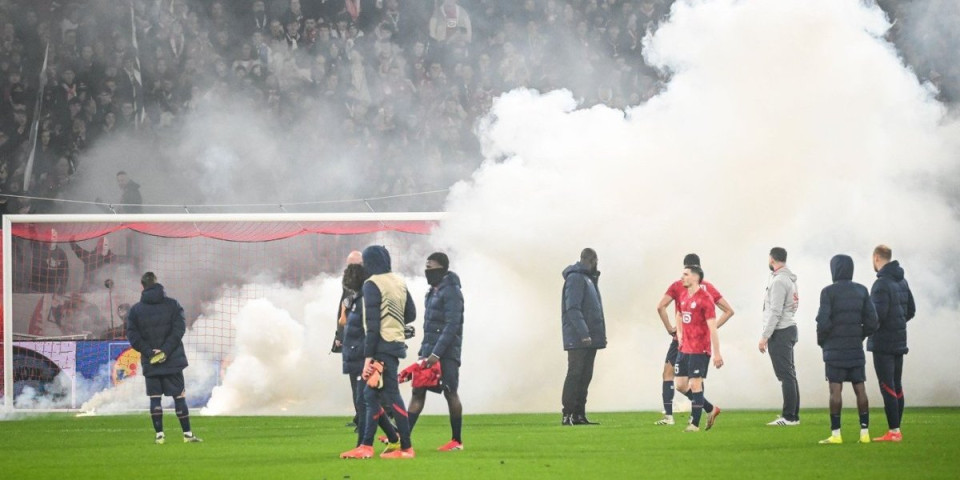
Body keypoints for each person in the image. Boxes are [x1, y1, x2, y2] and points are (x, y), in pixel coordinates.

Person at [340, 245, 416, 459]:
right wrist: (392, 320)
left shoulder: (372, 284)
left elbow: (372, 325)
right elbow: (410, 313)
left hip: (380, 347)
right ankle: (366, 446)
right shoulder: (399, 282)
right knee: (369, 395)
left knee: (391, 395)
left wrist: (368, 359)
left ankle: (406, 448)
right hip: (395, 344)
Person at [654, 253, 733, 426]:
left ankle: (671, 417)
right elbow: (729, 310)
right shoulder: (708, 287)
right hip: (692, 340)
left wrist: (669, 328)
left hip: (682, 340)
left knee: (670, 374)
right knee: (693, 382)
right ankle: (704, 411)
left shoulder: (677, 286)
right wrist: (711, 327)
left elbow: (661, 307)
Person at [125, 272, 201, 444]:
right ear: (157, 283)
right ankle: (187, 435)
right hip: (172, 359)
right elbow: (179, 329)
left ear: (142, 286)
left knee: (155, 398)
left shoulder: (135, 310)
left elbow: (132, 336)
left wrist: (150, 352)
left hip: (150, 361)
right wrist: (165, 351)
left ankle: (160, 436)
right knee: (179, 397)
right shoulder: (173, 305)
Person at [815, 255, 879, 444]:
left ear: (833, 269)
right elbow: (873, 321)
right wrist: (860, 336)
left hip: (834, 349)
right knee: (860, 388)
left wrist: (823, 342)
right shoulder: (861, 290)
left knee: (835, 390)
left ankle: (836, 435)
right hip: (855, 348)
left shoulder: (828, 292)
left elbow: (823, 321)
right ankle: (865, 433)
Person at [406, 252, 465, 451]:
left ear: (442, 268)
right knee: (417, 391)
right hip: (429, 352)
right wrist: (425, 352)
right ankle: (402, 439)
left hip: (446, 354)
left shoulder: (452, 292)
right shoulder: (432, 292)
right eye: (426, 267)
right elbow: (429, 326)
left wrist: (437, 354)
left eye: (430, 268)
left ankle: (457, 441)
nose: (427, 271)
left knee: (450, 393)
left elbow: (452, 325)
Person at [868, 245, 916, 442]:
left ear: (877, 258)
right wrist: (897, 324)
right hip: (899, 341)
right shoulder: (902, 281)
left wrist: (865, 330)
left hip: (883, 344)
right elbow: (911, 310)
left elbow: (876, 317)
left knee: (887, 386)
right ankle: (897, 429)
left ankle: (894, 431)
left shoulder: (881, 284)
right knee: (896, 385)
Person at [674, 265, 724, 432]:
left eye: (685, 274)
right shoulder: (683, 295)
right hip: (684, 349)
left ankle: (694, 424)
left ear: (695, 277)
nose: (682, 277)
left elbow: (713, 328)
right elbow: (679, 315)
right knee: (680, 385)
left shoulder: (705, 299)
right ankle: (710, 408)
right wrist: (680, 334)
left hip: (700, 349)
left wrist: (717, 353)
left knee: (696, 384)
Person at [561, 248, 606, 426]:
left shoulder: (589, 279)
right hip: (578, 338)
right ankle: (567, 414)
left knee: (585, 375)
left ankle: (579, 414)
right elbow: (572, 308)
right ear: (592, 259)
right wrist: (583, 333)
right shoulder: (576, 278)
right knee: (575, 374)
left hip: (590, 337)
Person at [759, 246, 800, 426]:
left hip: (781, 331)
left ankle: (789, 417)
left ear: (772, 259)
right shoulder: (790, 280)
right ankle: (792, 414)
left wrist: (764, 336)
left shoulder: (778, 281)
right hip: (789, 328)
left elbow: (775, 311)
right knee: (789, 374)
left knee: (786, 375)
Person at [334, 250, 364, 429]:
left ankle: (371, 418)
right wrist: (339, 334)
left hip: (363, 339)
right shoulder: (348, 283)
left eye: (355, 264)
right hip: (350, 337)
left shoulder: (368, 284)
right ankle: (360, 416)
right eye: (349, 265)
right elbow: (342, 307)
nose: (351, 268)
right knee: (356, 380)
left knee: (365, 379)